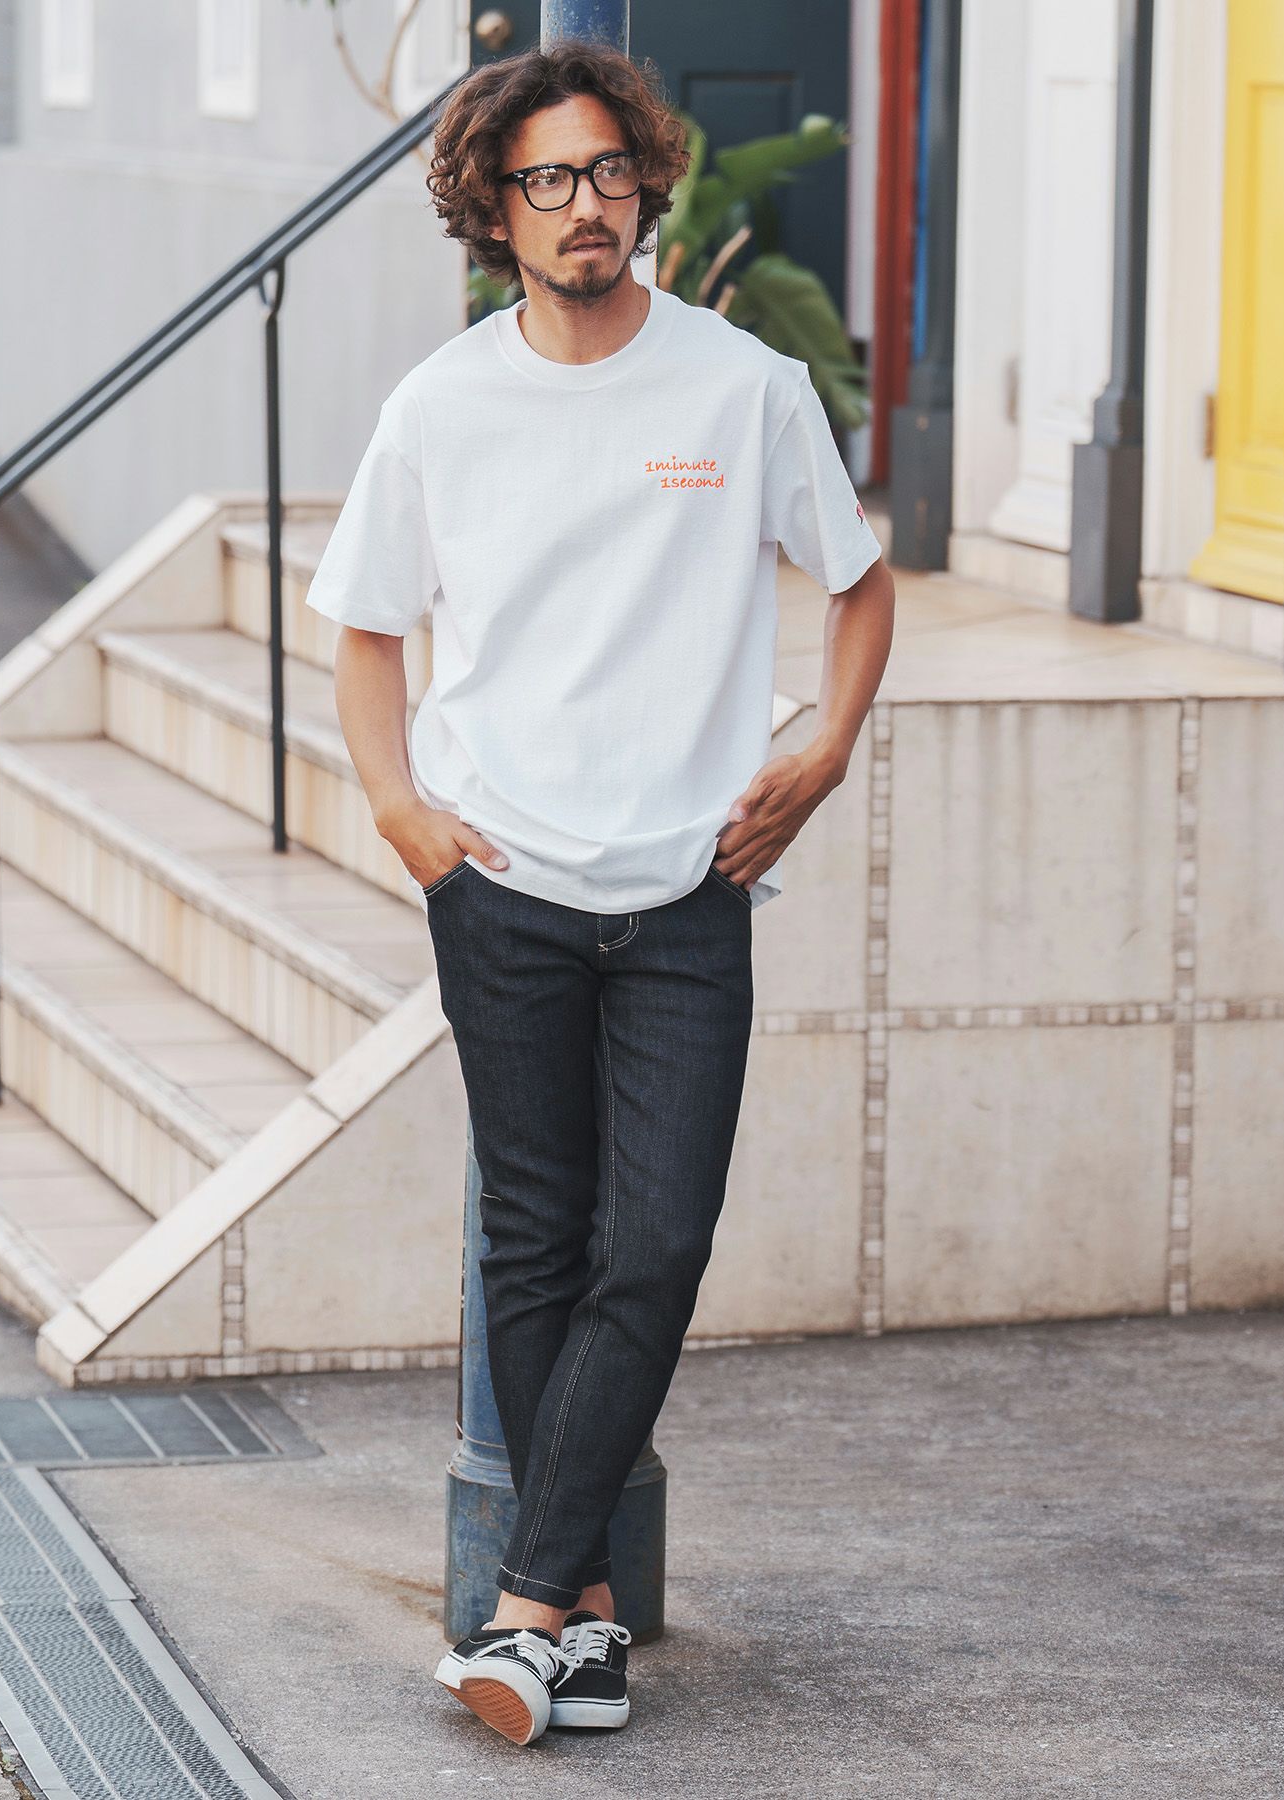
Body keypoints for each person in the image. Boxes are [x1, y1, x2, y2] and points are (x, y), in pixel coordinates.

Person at [305, 37, 894, 1747]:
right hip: (504, 885)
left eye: (607, 172)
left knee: (660, 1241)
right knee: (534, 1240)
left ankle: (520, 1609)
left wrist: (821, 755)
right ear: (495, 209)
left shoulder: (741, 387)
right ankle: (581, 1622)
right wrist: (406, 817)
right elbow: (364, 630)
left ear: (646, 185)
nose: (585, 205)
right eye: (546, 180)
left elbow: (859, 585)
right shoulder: (443, 406)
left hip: (691, 891)